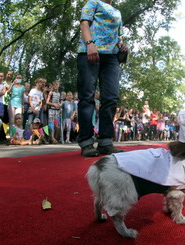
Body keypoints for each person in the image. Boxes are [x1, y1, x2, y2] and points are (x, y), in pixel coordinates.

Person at [76, 0, 128, 156]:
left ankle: (105, 142)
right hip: (90, 52)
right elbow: (84, 24)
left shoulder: (117, 12)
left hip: (111, 57)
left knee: (111, 97)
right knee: (87, 97)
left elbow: (118, 36)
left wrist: (122, 45)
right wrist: (90, 44)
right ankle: (86, 142)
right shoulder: (93, 3)